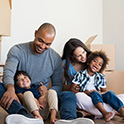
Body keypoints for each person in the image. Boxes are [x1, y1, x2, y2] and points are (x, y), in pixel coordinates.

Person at [0, 23, 92, 124]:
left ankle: (69, 120)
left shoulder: (55, 58)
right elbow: (8, 73)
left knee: (69, 95)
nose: (42, 46)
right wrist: (11, 90)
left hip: (44, 101)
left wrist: (45, 94)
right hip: (20, 96)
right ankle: (25, 117)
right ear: (35, 34)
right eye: (40, 40)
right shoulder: (17, 51)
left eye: (47, 44)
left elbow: (58, 85)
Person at [61, 38, 119, 119]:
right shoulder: (66, 64)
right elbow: (61, 86)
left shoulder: (93, 59)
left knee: (117, 96)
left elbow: (103, 87)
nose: (83, 57)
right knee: (79, 97)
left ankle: (88, 113)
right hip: (81, 95)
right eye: (79, 56)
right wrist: (74, 87)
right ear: (72, 56)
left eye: (84, 52)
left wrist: (100, 93)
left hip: (97, 96)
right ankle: (115, 112)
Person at [72, 51, 124, 122]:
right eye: (95, 61)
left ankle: (122, 112)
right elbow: (72, 90)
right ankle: (105, 112)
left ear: (101, 68)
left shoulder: (101, 77)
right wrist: (85, 93)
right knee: (85, 95)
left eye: (100, 64)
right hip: (87, 97)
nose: (96, 64)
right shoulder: (80, 74)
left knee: (110, 93)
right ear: (88, 62)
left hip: (98, 98)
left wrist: (100, 93)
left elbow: (104, 92)